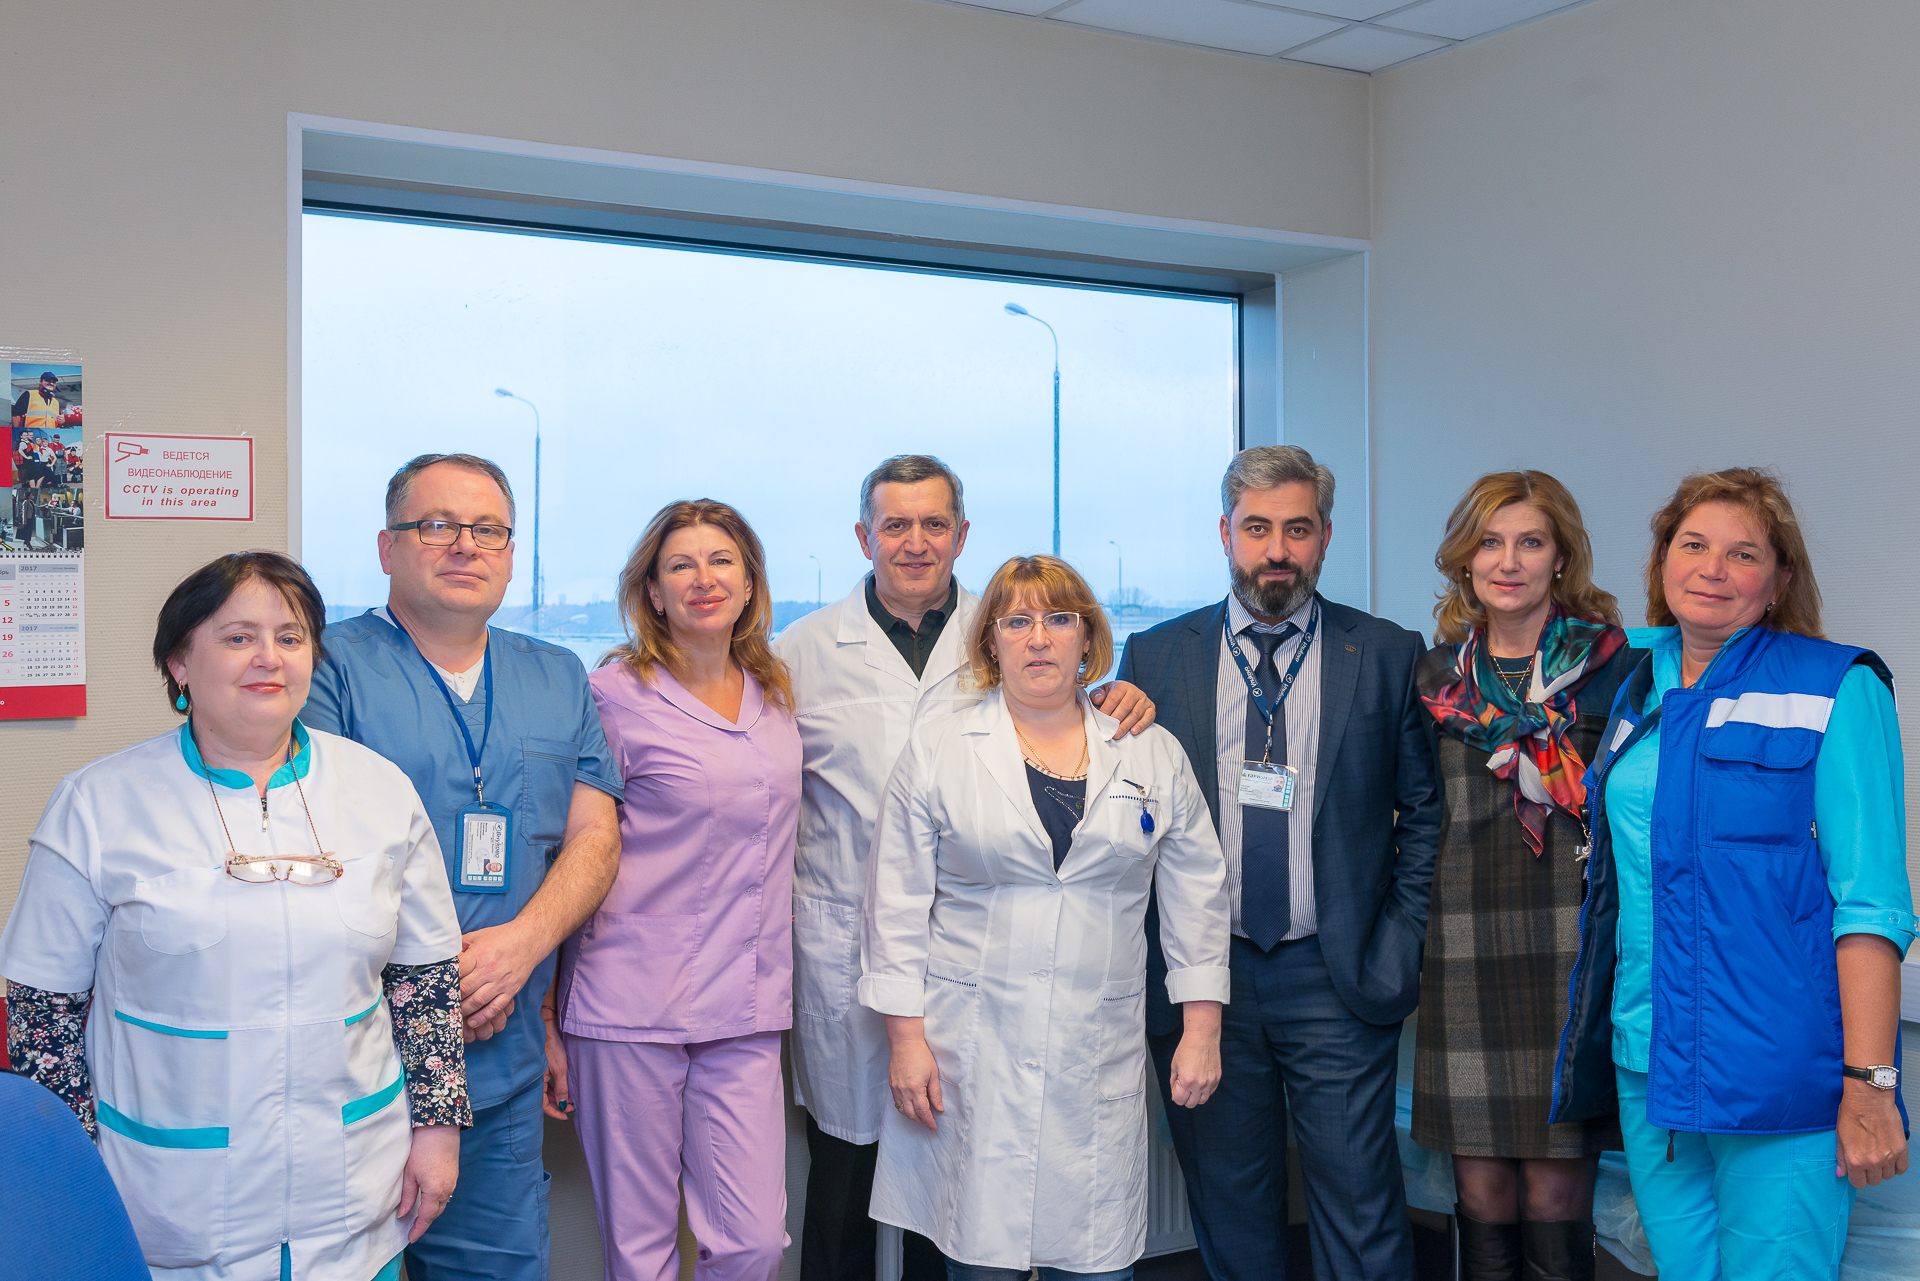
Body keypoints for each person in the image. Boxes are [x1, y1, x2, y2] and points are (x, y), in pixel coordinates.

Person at [0, 551, 470, 1281]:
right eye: (238, 637)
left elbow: (424, 985)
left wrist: (438, 1130)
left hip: (354, 1200)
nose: (269, 657)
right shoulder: (97, 804)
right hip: (167, 1202)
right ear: (179, 663)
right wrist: (78, 1171)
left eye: (290, 637)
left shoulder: (380, 791)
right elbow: (43, 1018)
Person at [774, 454, 1156, 1281]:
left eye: (934, 523)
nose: (915, 541)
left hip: (968, 960)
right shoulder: (801, 651)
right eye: (895, 524)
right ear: (863, 536)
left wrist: (1119, 696)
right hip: (844, 947)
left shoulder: (1006, 629)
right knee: (843, 1177)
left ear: (962, 533)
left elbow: (1065, 713)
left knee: (947, 1184)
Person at [1551, 467, 1915, 1281]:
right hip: (1649, 1059)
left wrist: (1870, 1085)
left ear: (1780, 579)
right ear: (1662, 562)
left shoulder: (1835, 686)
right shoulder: (1634, 680)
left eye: (1743, 553)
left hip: (1778, 1071)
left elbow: (1871, 904)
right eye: (1693, 545)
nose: (1712, 569)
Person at [1114, 444, 1443, 1281]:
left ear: (1325, 536)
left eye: (1297, 529)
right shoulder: (1156, 657)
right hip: (1203, 978)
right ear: (1225, 532)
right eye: (1257, 527)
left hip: (1335, 972)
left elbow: (1424, 813)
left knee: (1361, 1209)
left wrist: (1396, 943)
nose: (1277, 550)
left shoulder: (1385, 652)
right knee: (1232, 1209)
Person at [860, 554, 1230, 1280]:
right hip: (973, 1053)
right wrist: (905, 1041)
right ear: (990, 641)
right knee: (979, 1260)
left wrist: (1202, 1030)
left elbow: (1198, 895)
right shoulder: (940, 750)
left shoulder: (1150, 751)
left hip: (1095, 1052)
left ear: (1087, 638)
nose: (1038, 637)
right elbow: (895, 902)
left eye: (1059, 619)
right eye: (1017, 621)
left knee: (1096, 1264)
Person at [302, 454, 624, 1281]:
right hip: (356, 1066)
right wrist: (438, 983)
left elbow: (595, 836)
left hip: (500, 1061)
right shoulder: (326, 667)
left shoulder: (557, 675)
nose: (464, 545)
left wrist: (522, 947)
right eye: (436, 525)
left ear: (511, 552)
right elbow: (313, 851)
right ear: (387, 546)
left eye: (488, 530)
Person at [545, 498, 800, 1281]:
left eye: (722, 561)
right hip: (628, 1006)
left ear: (750, 583)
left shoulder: (775, 695)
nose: (704, 579)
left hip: (744, 1006)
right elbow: (569, 853)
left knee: (754, 1241)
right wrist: (548, 1017)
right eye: (680, 566)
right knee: (641, 1249)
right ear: (652, 591)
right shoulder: (611, 697)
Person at [1410, 472, 1633, 1281]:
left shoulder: (1618, 668)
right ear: (1465, 559)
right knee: (1483, 1195)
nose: (1508, 561)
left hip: (1572, 952)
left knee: (1554, 1196)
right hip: (1462, 948)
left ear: (1560, 556)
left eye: (1530, 542)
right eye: (1491, 542)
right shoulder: (1433, 677)